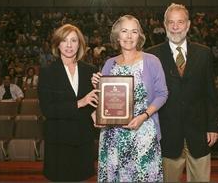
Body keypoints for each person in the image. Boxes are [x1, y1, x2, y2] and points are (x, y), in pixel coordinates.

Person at [146, 3, 218, 182]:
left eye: (180, 22)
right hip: (166, 135)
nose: (176, 27)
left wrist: (213, 126)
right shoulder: (151, 56)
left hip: (199, 133)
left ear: (188, 24)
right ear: (164, 25)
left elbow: (211, 93)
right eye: (171, 22)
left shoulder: (204, 53)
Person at [91, 15, 168, 182]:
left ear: (139, 36)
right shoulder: (109, 63)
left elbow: (162, 94)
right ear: (117, 37)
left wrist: (144, 116)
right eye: (124, 31)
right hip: (112, 137)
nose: (129, 36)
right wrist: (96, 85)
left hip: (143, 132)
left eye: (134, 31)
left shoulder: (152, 61)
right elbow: (104, 98)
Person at [38, 24, 99, 181]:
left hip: (83, 141)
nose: (69, 45)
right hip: (59, 143)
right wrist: (80, 102)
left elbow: (94, 104)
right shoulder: (47, 71)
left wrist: (100, 88)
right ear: (58, 44)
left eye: (74, 40)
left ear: (80, 44)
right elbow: (48, 110)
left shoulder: (90, 71)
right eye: (65, 41)